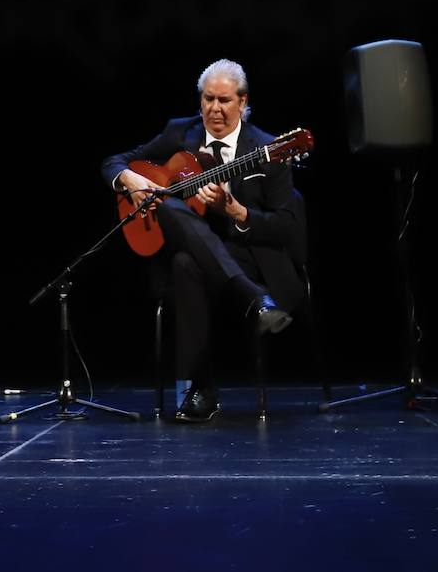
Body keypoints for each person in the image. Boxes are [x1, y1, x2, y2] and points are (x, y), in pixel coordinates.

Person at [100, 59, 301, 423]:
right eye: (208, 99)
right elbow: (114, 161)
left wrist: (238, 212)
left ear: (243, 102)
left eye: (224, 100)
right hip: (194, 254)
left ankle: (201, 390)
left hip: (246, 256)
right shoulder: (181, 134)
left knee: (185, 264)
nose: (215, 108)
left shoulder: (270, 149)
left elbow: (286, 227)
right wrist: (129, 180)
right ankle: (254, 301)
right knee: (174, 213)